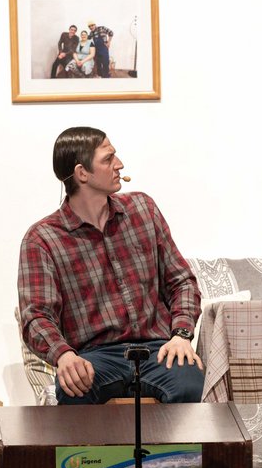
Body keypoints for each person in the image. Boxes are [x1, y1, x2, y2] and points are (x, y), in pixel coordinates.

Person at [19, 127, 203, 405]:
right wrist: (64, 355)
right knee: (74, 390)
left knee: (190, 383)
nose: (119, 164)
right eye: (108, 159)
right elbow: (36, 315)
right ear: (82, 173)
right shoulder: (42, 238)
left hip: (158, 350)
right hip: (93, 356)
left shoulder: (143, 209)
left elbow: (181, 282)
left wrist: (181, 335)